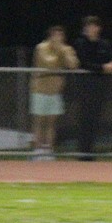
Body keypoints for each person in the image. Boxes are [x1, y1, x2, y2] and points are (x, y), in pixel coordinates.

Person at [72, 15, 112, 161]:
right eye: (88, 26)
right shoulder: (80, 43)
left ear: (98, 28)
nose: (91, 29)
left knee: (95, 119)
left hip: (101, 86)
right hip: (86, 86)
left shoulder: (104, 44)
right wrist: (102, 68)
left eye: (93, 26)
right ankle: (83, 153)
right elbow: (83, 63)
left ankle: (90, 152)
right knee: (85, 119)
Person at [29, 25, 78, 160]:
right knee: (39, 121)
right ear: (50, 36)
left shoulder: (66, 49)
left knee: (51, 123)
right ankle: (37, 150)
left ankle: (48, 150)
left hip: (55, 91)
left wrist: (64, 51)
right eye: (55, 35)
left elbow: (73, 65)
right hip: (39, 89)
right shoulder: (41, 47)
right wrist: (59, 51)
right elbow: (48, 63)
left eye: (60, 35)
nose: (58, 38)